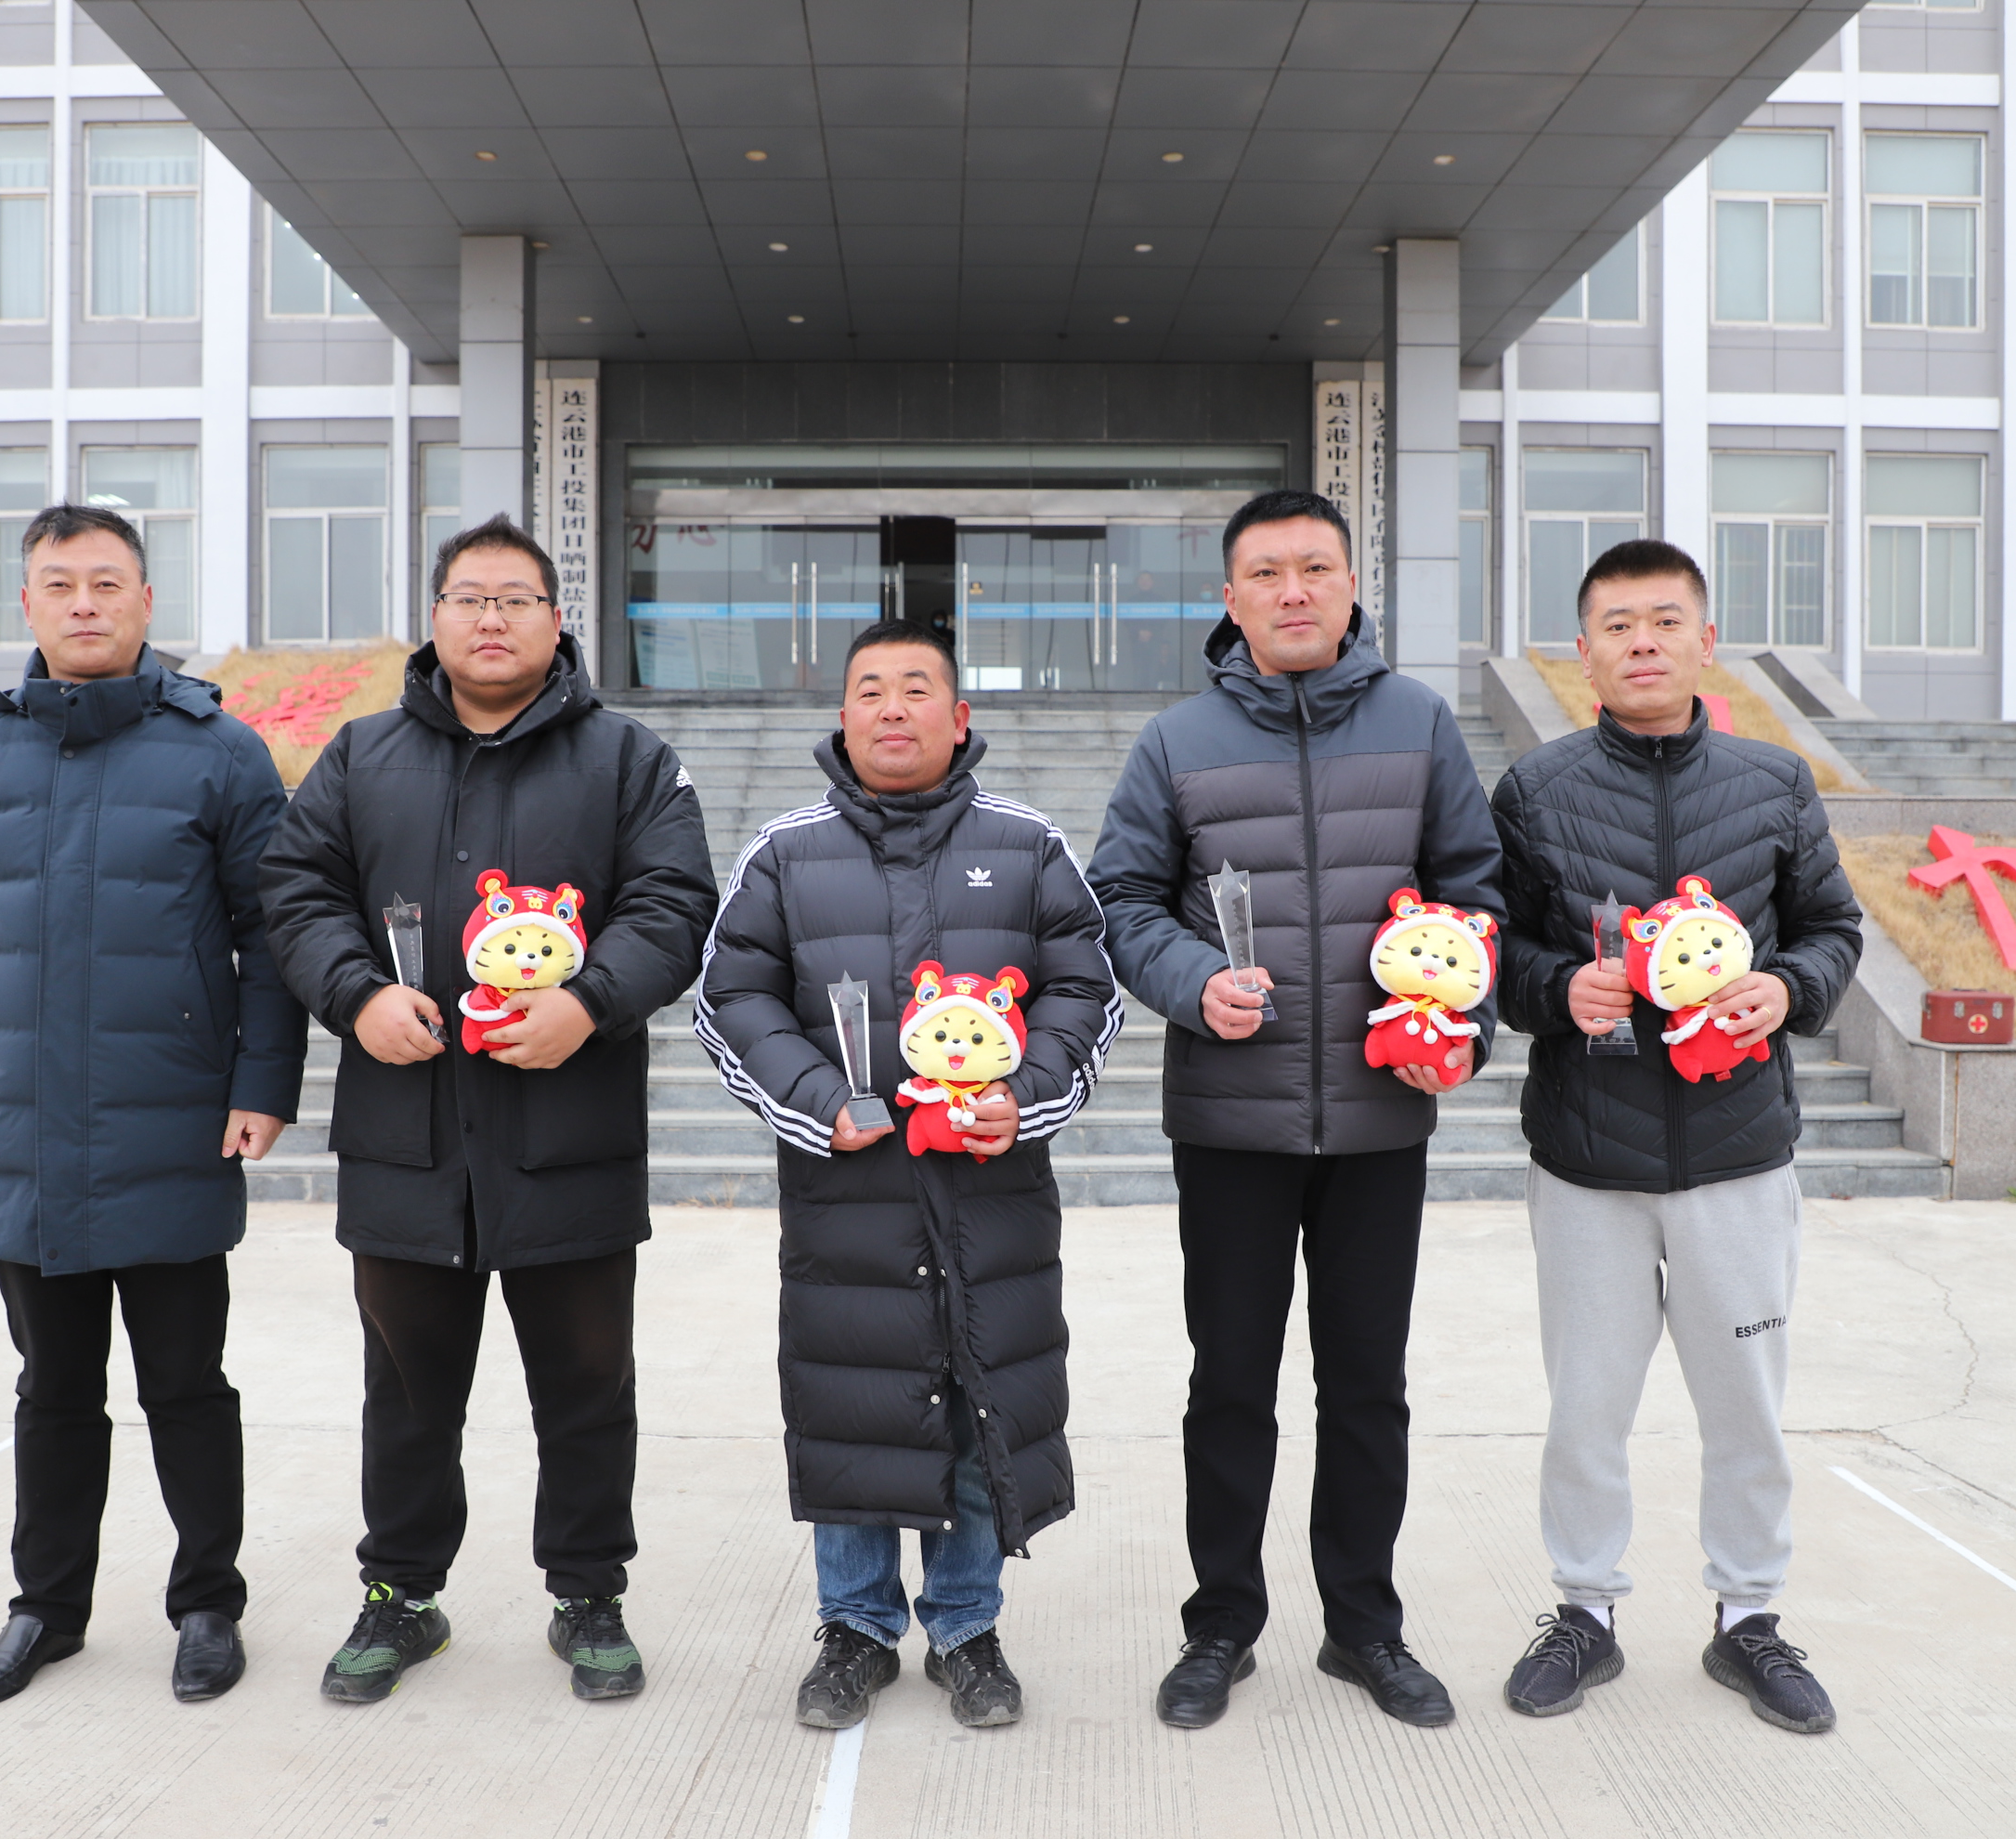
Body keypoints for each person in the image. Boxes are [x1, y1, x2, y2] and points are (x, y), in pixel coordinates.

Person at [257, 514, 715, 1706]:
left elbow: (674, 904)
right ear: (436, 617)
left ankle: (589, 1594)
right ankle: (402, 1594)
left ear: (557, 620)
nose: (493, 618)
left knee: (587, 1385)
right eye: (471, 597)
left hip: (570, 1131)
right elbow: (295, 891)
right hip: (406, 1136)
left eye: (517, 598)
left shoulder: (627, 760)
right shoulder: (362, 755)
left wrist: (590, 1002)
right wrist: (356, 996)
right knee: (407, 1391)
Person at [1088, 489, 1503, 1731]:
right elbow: (1122, 902)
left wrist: (1465, 1026)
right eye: (1266, 572)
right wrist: (1191, 982)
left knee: (1367, 1384)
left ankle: (1363, 1626)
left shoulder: (1420, 723)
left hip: (1381, 1119)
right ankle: (1221, 1624)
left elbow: (1475, 893)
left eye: (1315, 567)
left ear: (1351, 583)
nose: (1293, 591)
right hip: (1232, 1123)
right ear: (1231, 598)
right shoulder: (1177, 741)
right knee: (1230, 1382)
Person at [0, 503, 306, 1710]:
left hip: (171, 1119)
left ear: (145, 601)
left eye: (107, 582)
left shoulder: (218, 751)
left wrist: (262, 1083)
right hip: (22, 1124)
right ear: (26, 602)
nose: (83, 602)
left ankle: (207, 1604)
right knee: (51, 1390)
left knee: (187, 1384)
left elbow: (269, 935)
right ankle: (46, 1609)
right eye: (59, 582)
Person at [696, 619, 1118, 1730]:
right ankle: (855, 1627)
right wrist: (816, 1099)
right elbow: (729, 998)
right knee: (853, 1406)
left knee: (981, 1405)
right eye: (871, 688)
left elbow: (1086, 990)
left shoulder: (1028, 844)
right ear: (842, 716)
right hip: (848, 1197)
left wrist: (1024, 1095)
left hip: (991, 1195)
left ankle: (968, 1627)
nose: (893, 706)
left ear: (959, 715)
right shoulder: (784, 852)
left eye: (917, 687)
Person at [1486, 539, 1862, 1736]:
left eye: (1663, 620)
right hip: (1587, 1159)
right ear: (1583, 651)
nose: (1641, 642)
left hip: (1737, 1154)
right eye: (1617, 624)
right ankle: (1584, 1610)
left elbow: (1834, 928)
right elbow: (1498, 955)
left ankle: (1748, 1616)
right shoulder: (1534, 790)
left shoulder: (1775, 782)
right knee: (1585, 1406)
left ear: (1706, 640)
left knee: (1745, 1404)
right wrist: (1560, 988)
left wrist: (1787, 988)